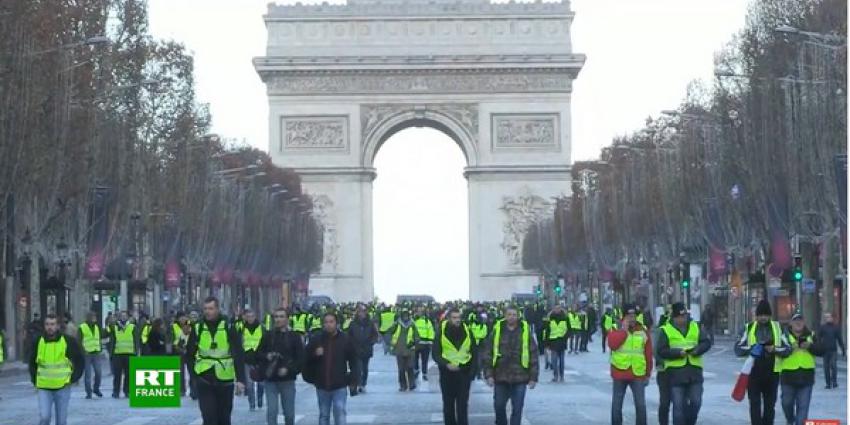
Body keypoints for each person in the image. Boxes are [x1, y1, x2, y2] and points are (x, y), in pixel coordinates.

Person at [185, 296, 247, 425]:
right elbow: (189, 354)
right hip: (204, 378)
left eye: (211, 308)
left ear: (218, 309)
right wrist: (194, 377)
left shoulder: (228, 326)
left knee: (224, 418)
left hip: (225, 379)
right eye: (205, 308)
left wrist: (241, 379)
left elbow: (239, 353)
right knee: (209, 417)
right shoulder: (198, 328)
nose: (207, 311)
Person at [481, 307, 539, 425]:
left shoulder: (525, 331)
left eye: (514, 314)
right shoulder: (497, 331)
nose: (512, 317)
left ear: (518, 316)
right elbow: (488, 353)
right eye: (509, 314)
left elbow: (533, 353)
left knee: (517, 409)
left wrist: (533, 377)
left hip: (520, 376)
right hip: (500, 376)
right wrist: (488, 375)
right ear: (505, 316)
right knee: (499, 406)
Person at [734, 299, 788, 425]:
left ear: (770, 315)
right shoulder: (748, 328)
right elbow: (737, 349)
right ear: (756, 315)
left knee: (770, 406)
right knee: (754, 404)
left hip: (772, 372)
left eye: (766, 315)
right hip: (753, 372)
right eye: (760, 315)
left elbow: (788, 349)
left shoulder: (778, 328)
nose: (763, 318)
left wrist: (774, 349)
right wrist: (752, 349)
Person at [657, 302, 712, 425]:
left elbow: (706, 342)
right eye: (680, 317)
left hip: (694, 372)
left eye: (684, 316)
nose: (683, 319)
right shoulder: (666, 330)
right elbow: (661, 351)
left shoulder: (695, 326)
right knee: (678, 408)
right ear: (674, 317)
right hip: (675, 374)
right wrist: (677, 353)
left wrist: (697, 350)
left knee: (696, 402)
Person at [304, 312, 359, 425]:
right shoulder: (317, 339)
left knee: (340, 412)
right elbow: (305, 358)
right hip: (322, 384)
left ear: (337, 323)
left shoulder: (345, 339)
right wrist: (315, 354)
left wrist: (353, 379)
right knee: (324, 414)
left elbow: (354, 360)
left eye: (331, 322)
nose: (328, 325)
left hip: (339, 384)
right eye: (326, 322)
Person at [29, 314, 84, 425]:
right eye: (47, 324)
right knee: (44, 417)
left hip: (63, 386)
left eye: (52, 324)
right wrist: (34, 379)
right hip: (44, 386)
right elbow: (31, 362)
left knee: (61, 421)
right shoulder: (38, 341)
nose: (50, 327)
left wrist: (74, 378)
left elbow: (80, 359)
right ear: (44, 326)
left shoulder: (68, 341)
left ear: (58, 326)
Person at [257, 307, 305, 425]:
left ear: (287, 319)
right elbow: (257, 354)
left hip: (287, 380)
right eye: (276, 317)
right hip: (271, 379)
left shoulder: (294, 337)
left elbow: (301, 359)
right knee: (272, 412)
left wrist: (289, 369)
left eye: (281, 316)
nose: (278, 319)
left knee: (289, 414)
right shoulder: (268, 335)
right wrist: (266, 356)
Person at [608, 303, 653, 425]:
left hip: (637, 373)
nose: (632, 318)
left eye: (634, 316)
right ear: (624, 316)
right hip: (620, 371)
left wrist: (648, 373)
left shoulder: (642, 330)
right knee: (617, 405)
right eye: (629, 316)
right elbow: (613, 344)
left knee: (641, 405)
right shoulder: (615, 328)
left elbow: (648, 353)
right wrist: (624, 330)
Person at [778, 313, 824, 425]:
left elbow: (822, 350)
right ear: (791, 323)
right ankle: (790, 419)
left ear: (804, 323)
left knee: (803, 410)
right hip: (788, 377)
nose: (798, 323)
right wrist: (790, 348)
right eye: (795, 321)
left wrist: (810, 346)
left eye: (800, 321)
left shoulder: (811, 335)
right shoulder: (783, 336)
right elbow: (778, 352)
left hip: (806, 378)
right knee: (786, 403)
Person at [432, 308, 475, 425]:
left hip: (463, 373)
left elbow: (474, 351)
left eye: (459, 318)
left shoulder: (467, 330)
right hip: (447, 374)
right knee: (448, 405)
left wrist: (472, 372)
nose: (457, 320)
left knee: (462, 406)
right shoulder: (441, 331)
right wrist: (446, 364)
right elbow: (436, 352)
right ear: (449, 319)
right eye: (454, 318)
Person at [347, 305, 379, 393]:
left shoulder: (370, 323)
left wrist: (371, 342)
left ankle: (364, 383)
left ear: (366, 312)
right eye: (359, 311)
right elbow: (349, 335)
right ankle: (359, 384)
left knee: (365, 368)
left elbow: (375, 335)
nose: (361, 313)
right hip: (356, 349)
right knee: (358, 367)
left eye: (363, 311)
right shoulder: (353, 324)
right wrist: (352, 344)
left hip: (366, 349)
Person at [107, 310, 137, 398]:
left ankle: (127, 391)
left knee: (128, 374)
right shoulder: (115, 327)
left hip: (129, 353)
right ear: (119, 317)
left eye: (125, 315)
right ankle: (116, 391)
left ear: (128, 317)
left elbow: (136, 340)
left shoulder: (132, 327)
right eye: (121, 316)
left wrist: (136, 351)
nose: (123, 317)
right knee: (117, 374)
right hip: (118, 354)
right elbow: (109, 336)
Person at [240, 309, 265, 411]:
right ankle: (251, 403)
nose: (250, 318)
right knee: (249, 384)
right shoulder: (242, 328)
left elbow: (265, 342)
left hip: (259, 359)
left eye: (252, 316)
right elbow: (239, 342)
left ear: (255, 317)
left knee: (261, 383)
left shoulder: (261, 328)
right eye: (248, 316)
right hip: (247, 359)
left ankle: (259, 399)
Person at [390, 310, 419, 391]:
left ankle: (412, 384)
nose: (405, 317)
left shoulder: (412, 325)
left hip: (410, 350)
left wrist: (414, 343)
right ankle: (403, 385)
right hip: (399, 349)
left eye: (407, 316)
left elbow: (417, 336)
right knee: (401, 369)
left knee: (410, 367)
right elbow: (390, 332)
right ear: (401, 316)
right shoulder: (397, 324)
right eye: (404, 316)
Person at [78, 311, 104, 399]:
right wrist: (83, 351)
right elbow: (79, 341)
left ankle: (96, 389)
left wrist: (100, 347)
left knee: (98, 372)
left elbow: (99, 338)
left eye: (95, 317)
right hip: (87, 354)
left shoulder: (96, 327)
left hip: (96, 352)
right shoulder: (82, 327)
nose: (95, 318)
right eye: (93, 317)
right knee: (88, 375)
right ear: (89, 318)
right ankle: (88, 392)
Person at [816, 312, 845, 389]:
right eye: (826, 317)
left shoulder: (836, 327)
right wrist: (818, 347)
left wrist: (843, 349)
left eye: (829, 317)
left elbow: (839, 339)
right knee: (826, 368)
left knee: (833, 366)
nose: (828, 318)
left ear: (832, 318)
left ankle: (834, 382)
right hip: (825, 350)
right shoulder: (822, 327)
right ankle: (828, 383)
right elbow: (818, 337)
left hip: (833, 350)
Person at [544, 304, 568, 382]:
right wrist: (546, 343)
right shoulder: (550, 319)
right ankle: (555, 375)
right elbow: (547, 331)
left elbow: (569, 329)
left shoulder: (565, 318)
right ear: (553, 309)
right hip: (553, 342)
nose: (557, 310)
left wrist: (565, 337)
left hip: (562, 342)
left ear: (561, 309)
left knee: (562, 361)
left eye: (559, 308)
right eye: (556, 308)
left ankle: (562, 376)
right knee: (554, 361)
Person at [413, 306, 435, 381]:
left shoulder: (427, 321)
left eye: (421, 312)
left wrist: (430, 342)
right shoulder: (414, 320)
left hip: (425, 344)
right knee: (414, 359)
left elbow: (431, 332)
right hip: (416, 343)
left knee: (424, 360)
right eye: (418, 311)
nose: (419, 313)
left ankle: (424, 374)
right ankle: (416, 371)